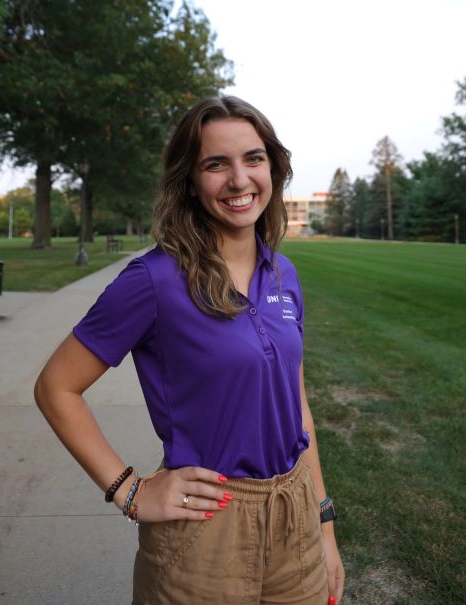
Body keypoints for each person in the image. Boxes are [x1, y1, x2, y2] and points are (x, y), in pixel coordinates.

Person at [34, 95, 345, 604]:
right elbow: (56, 387)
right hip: (206, 532)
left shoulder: (283, 275)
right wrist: (129, 490)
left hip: (297, 521)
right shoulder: (154, 280)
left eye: (253, 158)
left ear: (273, 168)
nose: (239, 180)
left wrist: (324, 521)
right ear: (191, 181)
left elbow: (298, 408)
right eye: (216, 164)